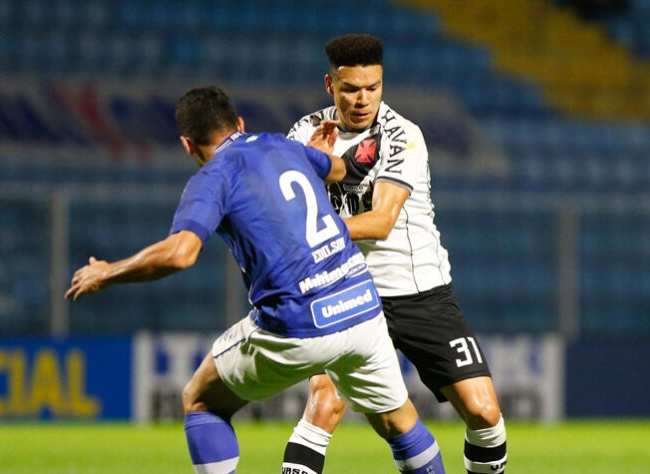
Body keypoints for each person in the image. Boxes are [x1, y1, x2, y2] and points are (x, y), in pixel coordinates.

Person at [65, 86, 445, 474]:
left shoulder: (213, 177)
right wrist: (312, 155)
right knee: (400, 423)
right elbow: (339, 170)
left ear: (186, 144)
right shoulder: (281, 146)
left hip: (300, 321)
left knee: (200, 399)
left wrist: (107, 272)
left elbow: (180, 254)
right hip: (361, 305)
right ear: (240, 124)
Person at [283, 34, 507, 474]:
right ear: (331, 86)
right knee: (324, 402)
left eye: (373, 87)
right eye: (351, 89)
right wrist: (312, 165)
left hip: (419, 290)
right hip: (347, 293)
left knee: (483, 412)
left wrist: (314, 216)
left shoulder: (403, 136)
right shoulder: (304, 133)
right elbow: (288, 208)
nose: (363, 99)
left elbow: (380, 222)